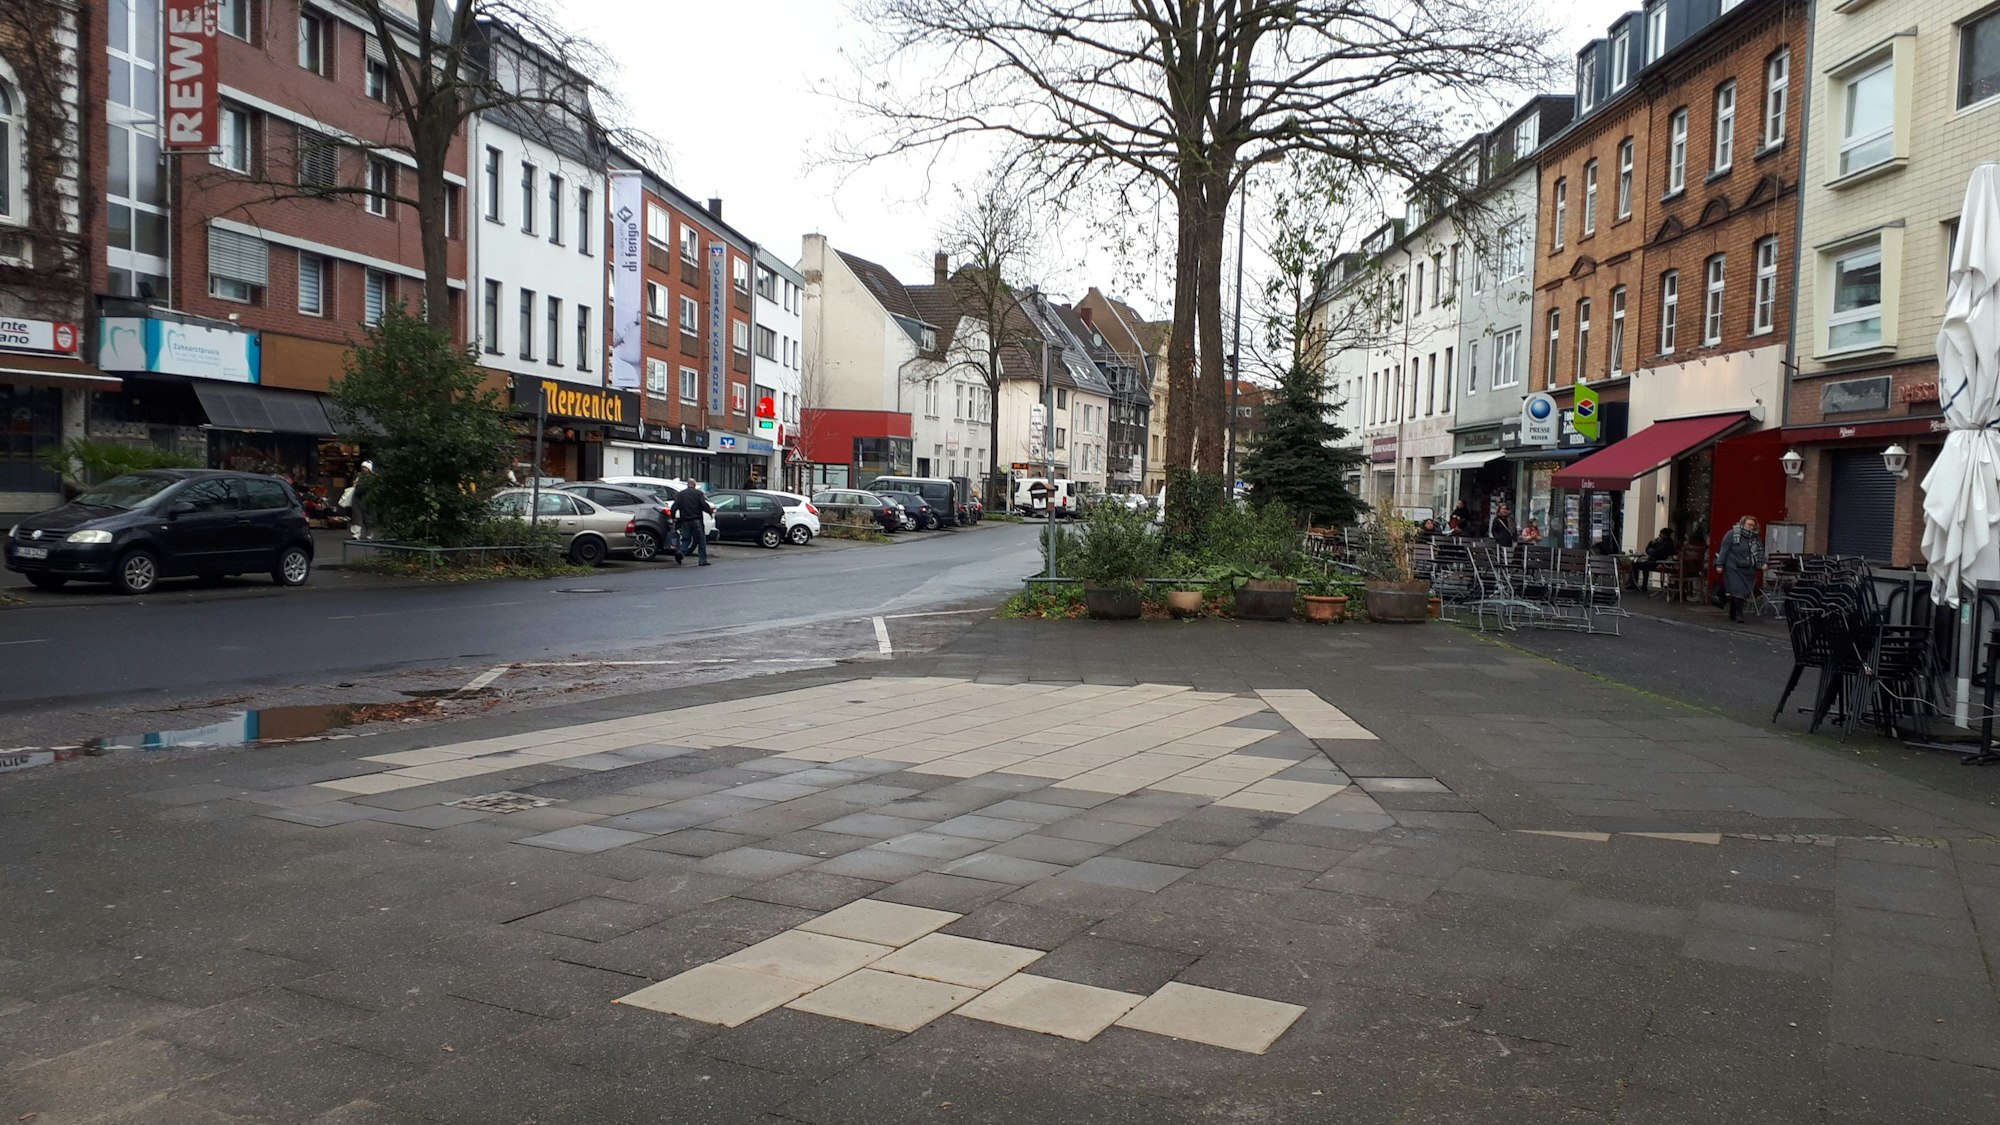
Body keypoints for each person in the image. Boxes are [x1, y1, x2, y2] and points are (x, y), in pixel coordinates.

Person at [1714, 515, 1763, 623]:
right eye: (1749, 524)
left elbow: (1760, 551)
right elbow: (1724, 550)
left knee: (1741, 591)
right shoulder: (1732, 534)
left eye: (1753, 525)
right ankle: (1739, 614)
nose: (1751, 527)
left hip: (1748, 568)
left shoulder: (1755, 537)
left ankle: (1733, 611)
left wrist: (1763, 563)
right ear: (1743, 524)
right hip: (1733, 566)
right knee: (1738, 589)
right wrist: (1719, 564)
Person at [669, 480, 714, 566]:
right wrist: (710, 512)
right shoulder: (698, 493)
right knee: (701, 540)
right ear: (694, 485)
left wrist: (673, 517)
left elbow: (674, 507)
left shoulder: (681, 494)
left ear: (687, 485)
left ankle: (681, 552)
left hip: (685, 521)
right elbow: (703, 505)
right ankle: (702, 560)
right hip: (697, 520)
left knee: (686, 539)